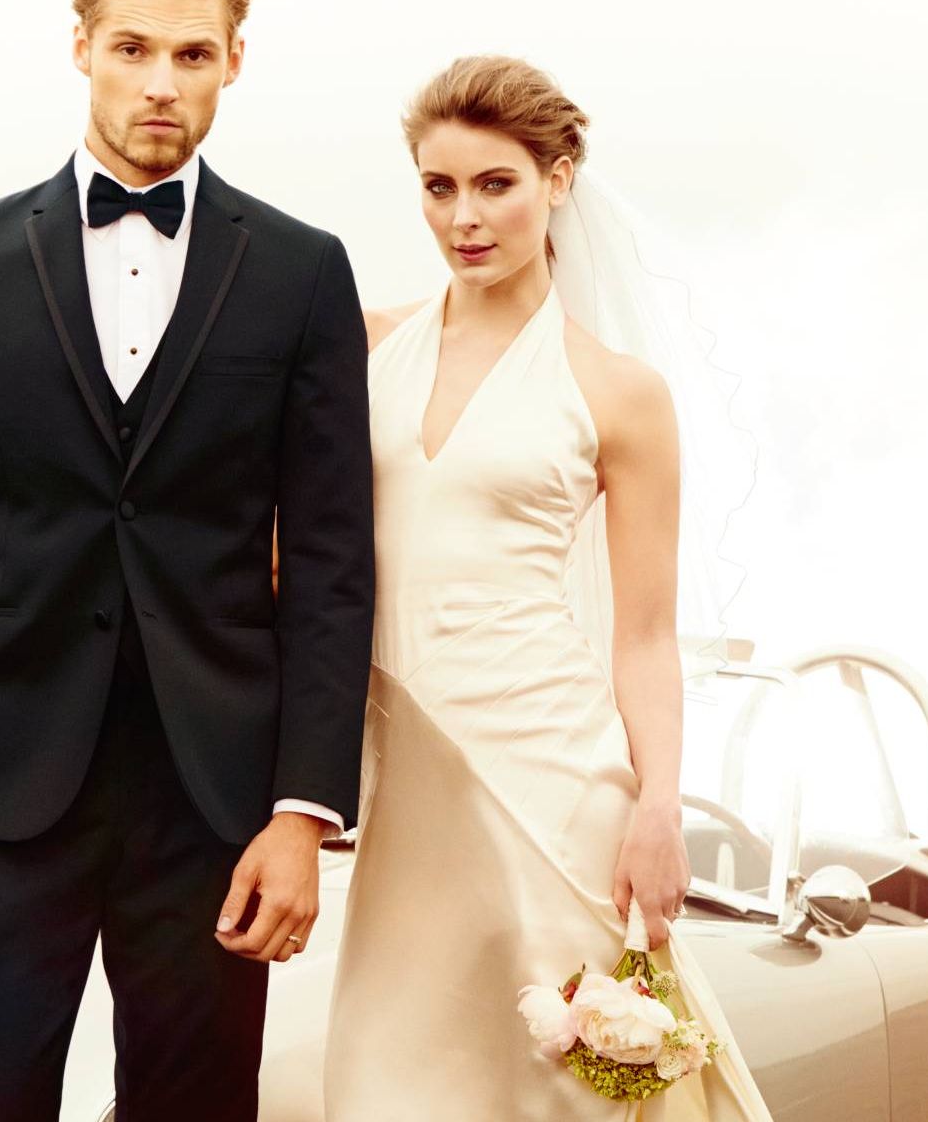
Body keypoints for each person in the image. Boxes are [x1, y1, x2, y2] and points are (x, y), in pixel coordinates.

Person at [0, 0, 372, 1121]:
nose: (160, 84)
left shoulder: (302, 272)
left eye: (192, 55)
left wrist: (303, 811)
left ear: (235, 62)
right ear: (80, 48)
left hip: (212, 803)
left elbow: (336, 565)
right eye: (133, 49)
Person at [323, 55, 773, 1120]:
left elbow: (648, 636)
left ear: (558, 178)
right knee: (392, 1085)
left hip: (557, 782)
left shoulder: (620, 393)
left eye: (496, 184)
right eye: (439, 187)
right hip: (408, 784)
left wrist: (659, 805)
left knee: (577, 1090)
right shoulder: (364, 347)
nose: (464, 217)